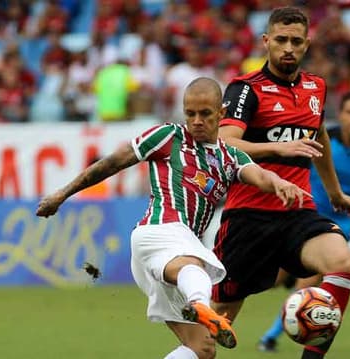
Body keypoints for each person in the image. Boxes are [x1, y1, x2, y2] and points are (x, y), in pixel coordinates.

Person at [36, 77, 310, 359]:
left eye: (205, 113)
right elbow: (113, 162)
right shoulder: (169, 136)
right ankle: (202, 307)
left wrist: (280, 183)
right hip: (159, 230)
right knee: (195, 268)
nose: (196, 120)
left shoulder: (231, 157)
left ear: (221, 114)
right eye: (190, 113)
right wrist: (62, 193)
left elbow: (260, 175)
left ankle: (200, 307)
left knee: (202, 349)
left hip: (168, 252)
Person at [212, 7, 350, 359]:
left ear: (306, 45)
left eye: (296, 41)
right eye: (281, 40)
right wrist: (277, 147)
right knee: (214, 330)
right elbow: (225, 141)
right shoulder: (245, 89)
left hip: (297, 212)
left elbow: (318, 138)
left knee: (344, 263)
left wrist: (335, 192)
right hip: (249, 217)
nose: (288, 48)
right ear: (266, 41)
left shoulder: (316, 87)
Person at [257, 91, 350, 352]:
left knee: (312, 282)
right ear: (340, 114)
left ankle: (271, 336)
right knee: (270, 279)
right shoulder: (322, 139)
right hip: (302, 218)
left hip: (339, 226)